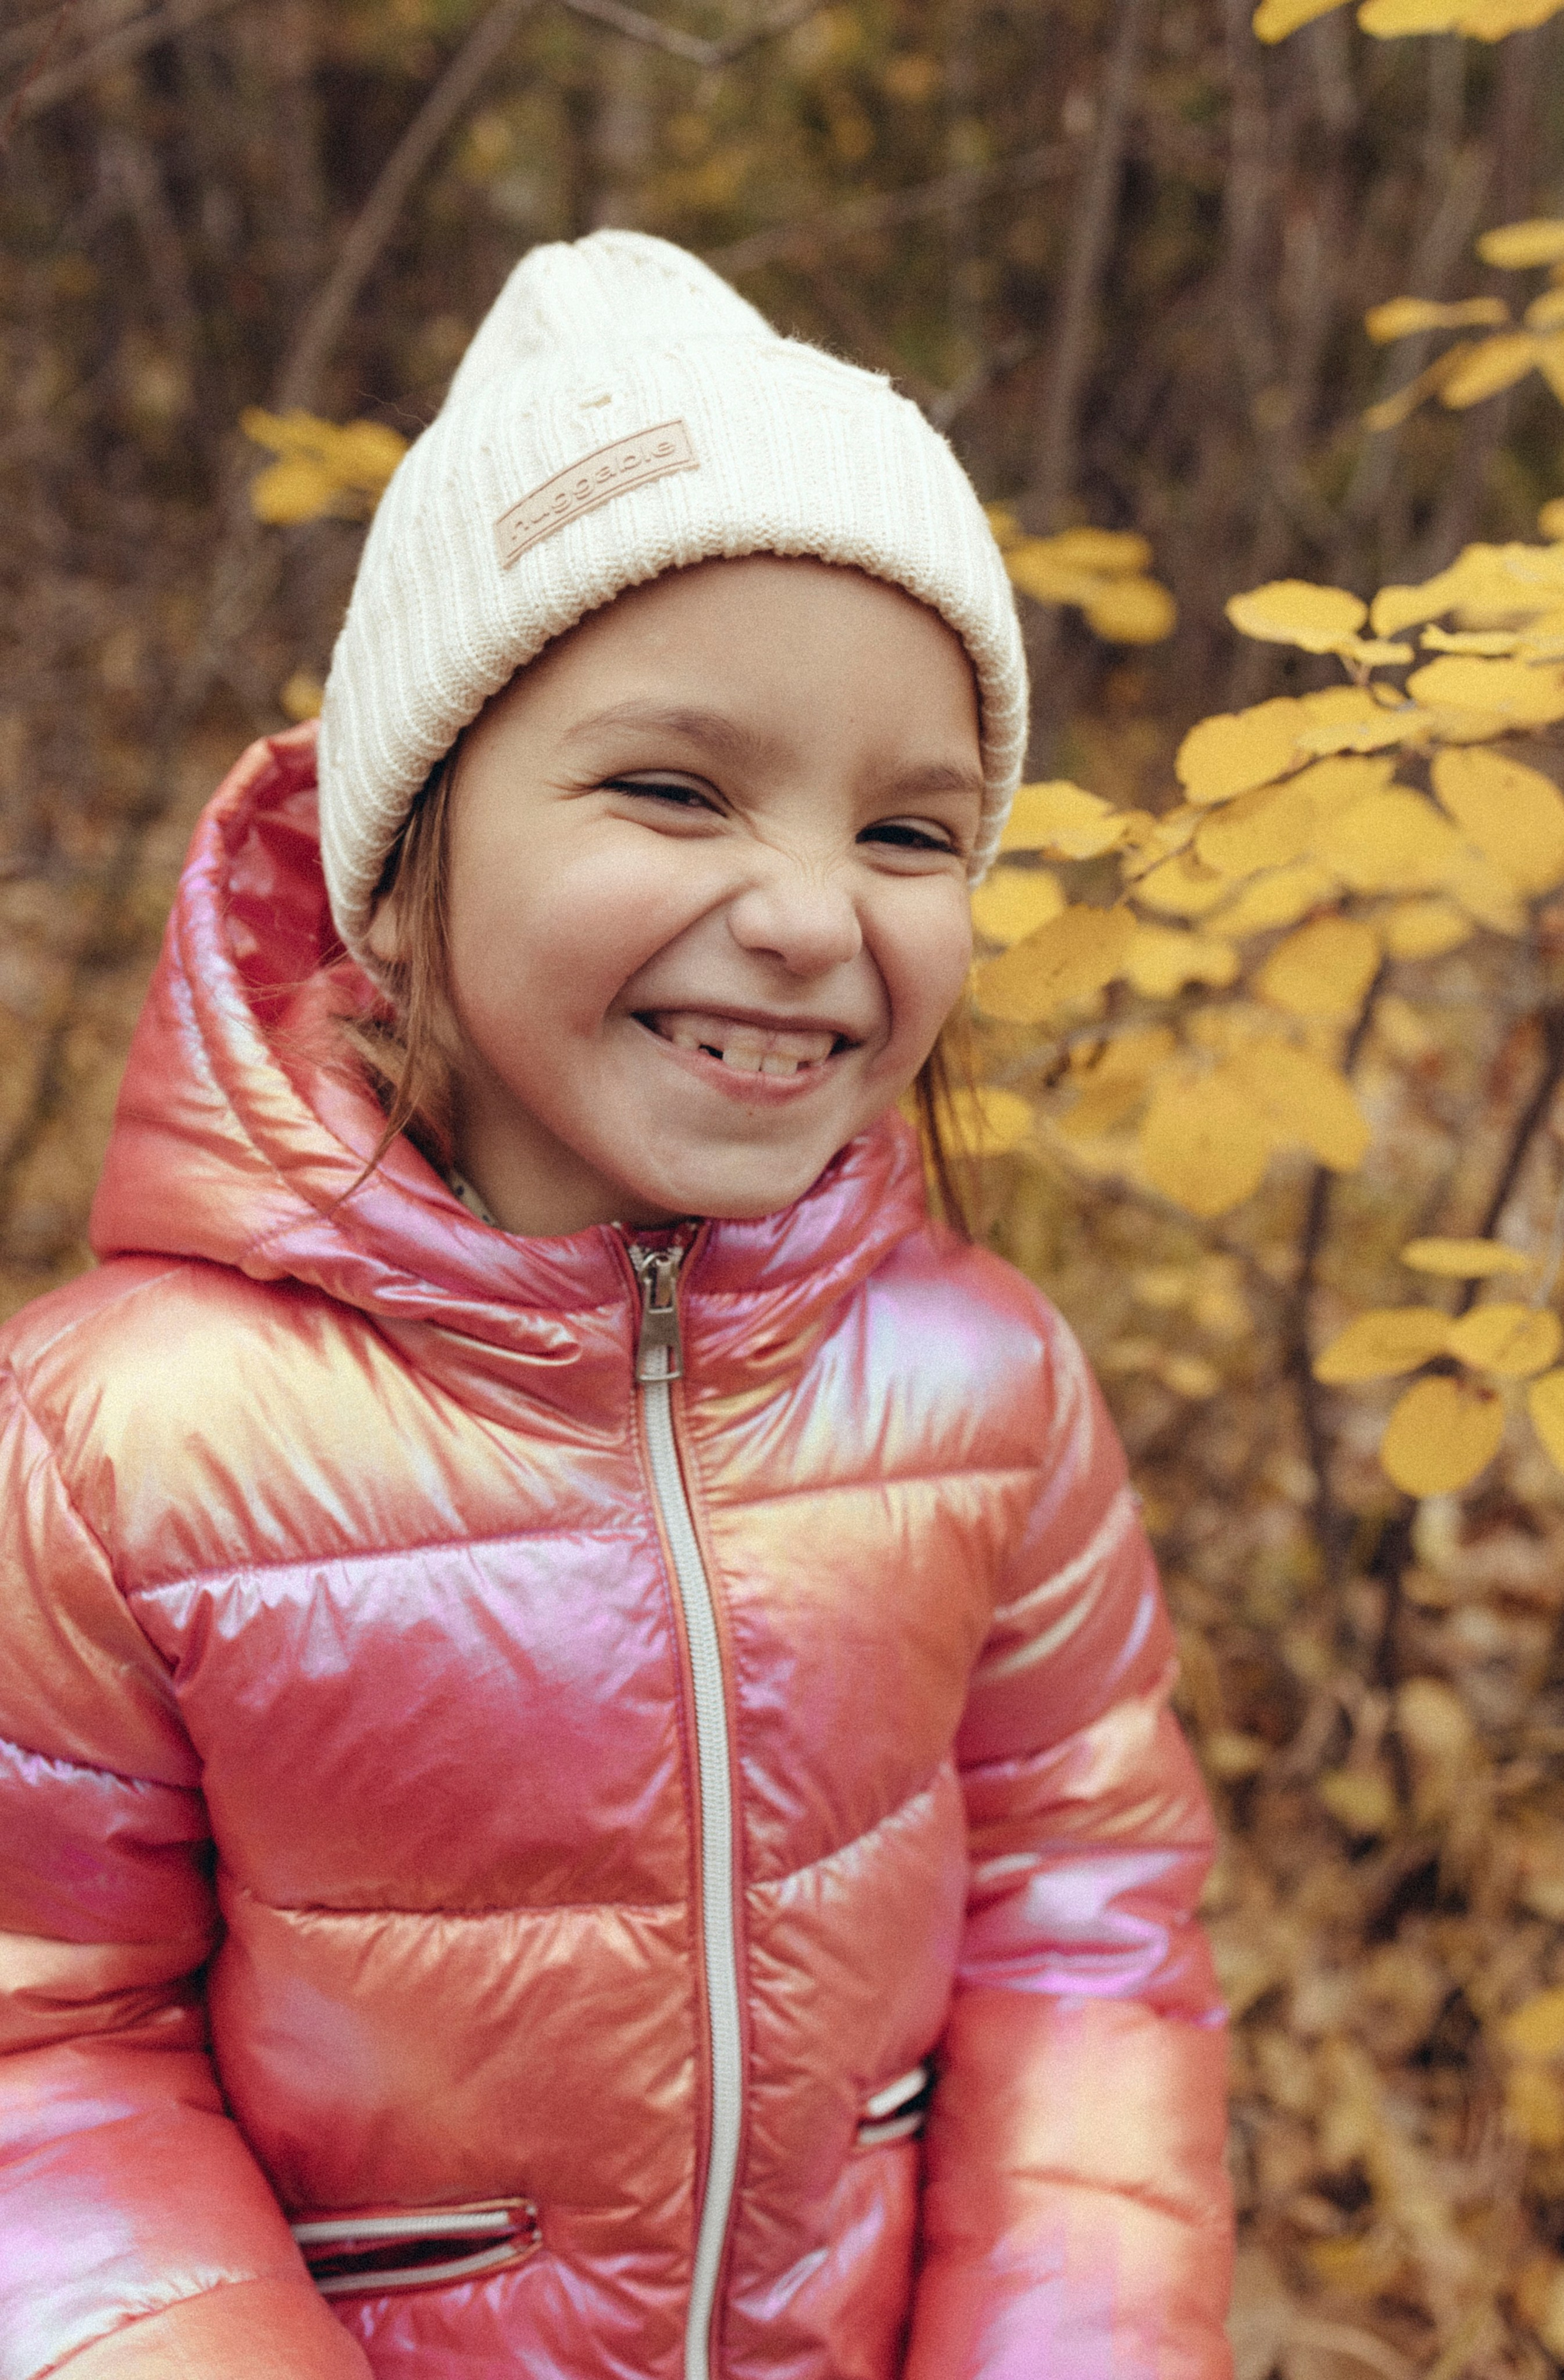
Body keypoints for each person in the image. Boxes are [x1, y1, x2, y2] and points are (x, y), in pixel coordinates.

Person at [0, 231, 1232, 2380]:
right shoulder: (115, 1451)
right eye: (675, 787)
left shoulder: (985, 1386)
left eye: (911, 830)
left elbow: (1091, 1932)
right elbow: (44, 2064)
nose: (803, 911)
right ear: (403, 860)